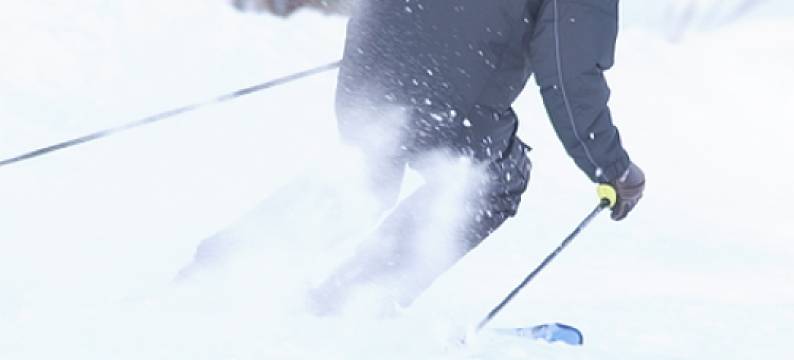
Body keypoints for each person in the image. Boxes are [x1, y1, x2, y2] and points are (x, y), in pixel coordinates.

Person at [306, 0, 645, 315]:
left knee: (366, 181)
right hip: (448, 92)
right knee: (491, 180)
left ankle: (264, 257)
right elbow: (569, 72)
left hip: (371, 57)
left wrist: (391, 42)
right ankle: (355, 299)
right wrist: (611, 167)